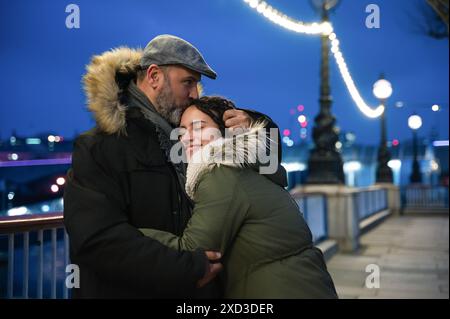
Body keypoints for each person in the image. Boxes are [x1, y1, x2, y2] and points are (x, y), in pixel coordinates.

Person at [63, 34, 284, 298]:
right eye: (188, 82)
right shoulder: (100, 147)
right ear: (154, 77)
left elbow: (263, 163)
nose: (194, 94)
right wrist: (189, 268)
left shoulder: (186, 136)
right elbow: (97, 240)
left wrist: (257, 124)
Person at [140, 96, 339, 299]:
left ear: (225, 131)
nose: (187, 138)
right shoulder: (249, 167)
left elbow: (193, 249)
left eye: (198, 128)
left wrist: (128, 234)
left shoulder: (221, 172)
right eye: (182, 132)